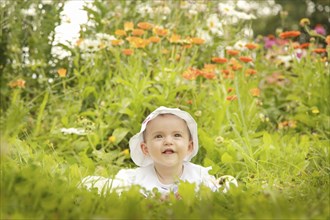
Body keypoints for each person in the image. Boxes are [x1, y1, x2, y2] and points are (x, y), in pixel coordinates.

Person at [82, 106, 237, 196]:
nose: (168, 141)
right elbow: (91, 185)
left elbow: (227, 191)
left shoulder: (200, 176)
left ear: (189, 146)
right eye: (158, 136)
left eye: (177, 135)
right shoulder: (133, 179)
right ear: (145, 149)